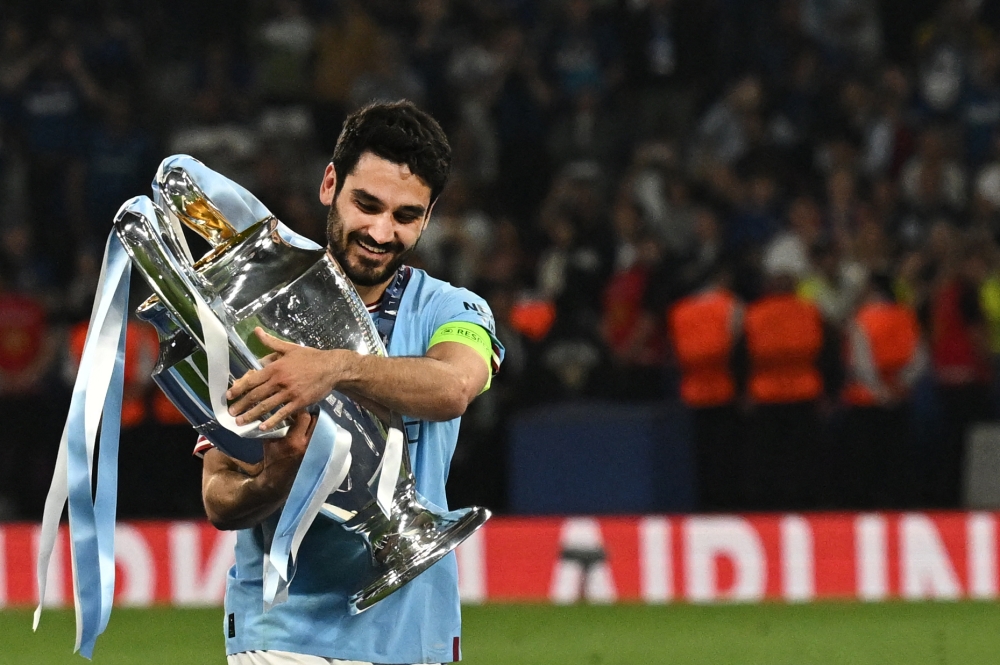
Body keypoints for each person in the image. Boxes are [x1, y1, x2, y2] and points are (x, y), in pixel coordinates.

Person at [198, 100, 504, 665]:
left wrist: (334, 366)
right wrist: (274, 482)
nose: (381, 231)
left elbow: (454, 386)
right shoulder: (250, 313)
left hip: (419, 638)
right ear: (330, 184)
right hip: (285, 640)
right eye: (366, 204)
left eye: (406, 215)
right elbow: (219, 498)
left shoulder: (452, 309)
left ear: (429, 218)